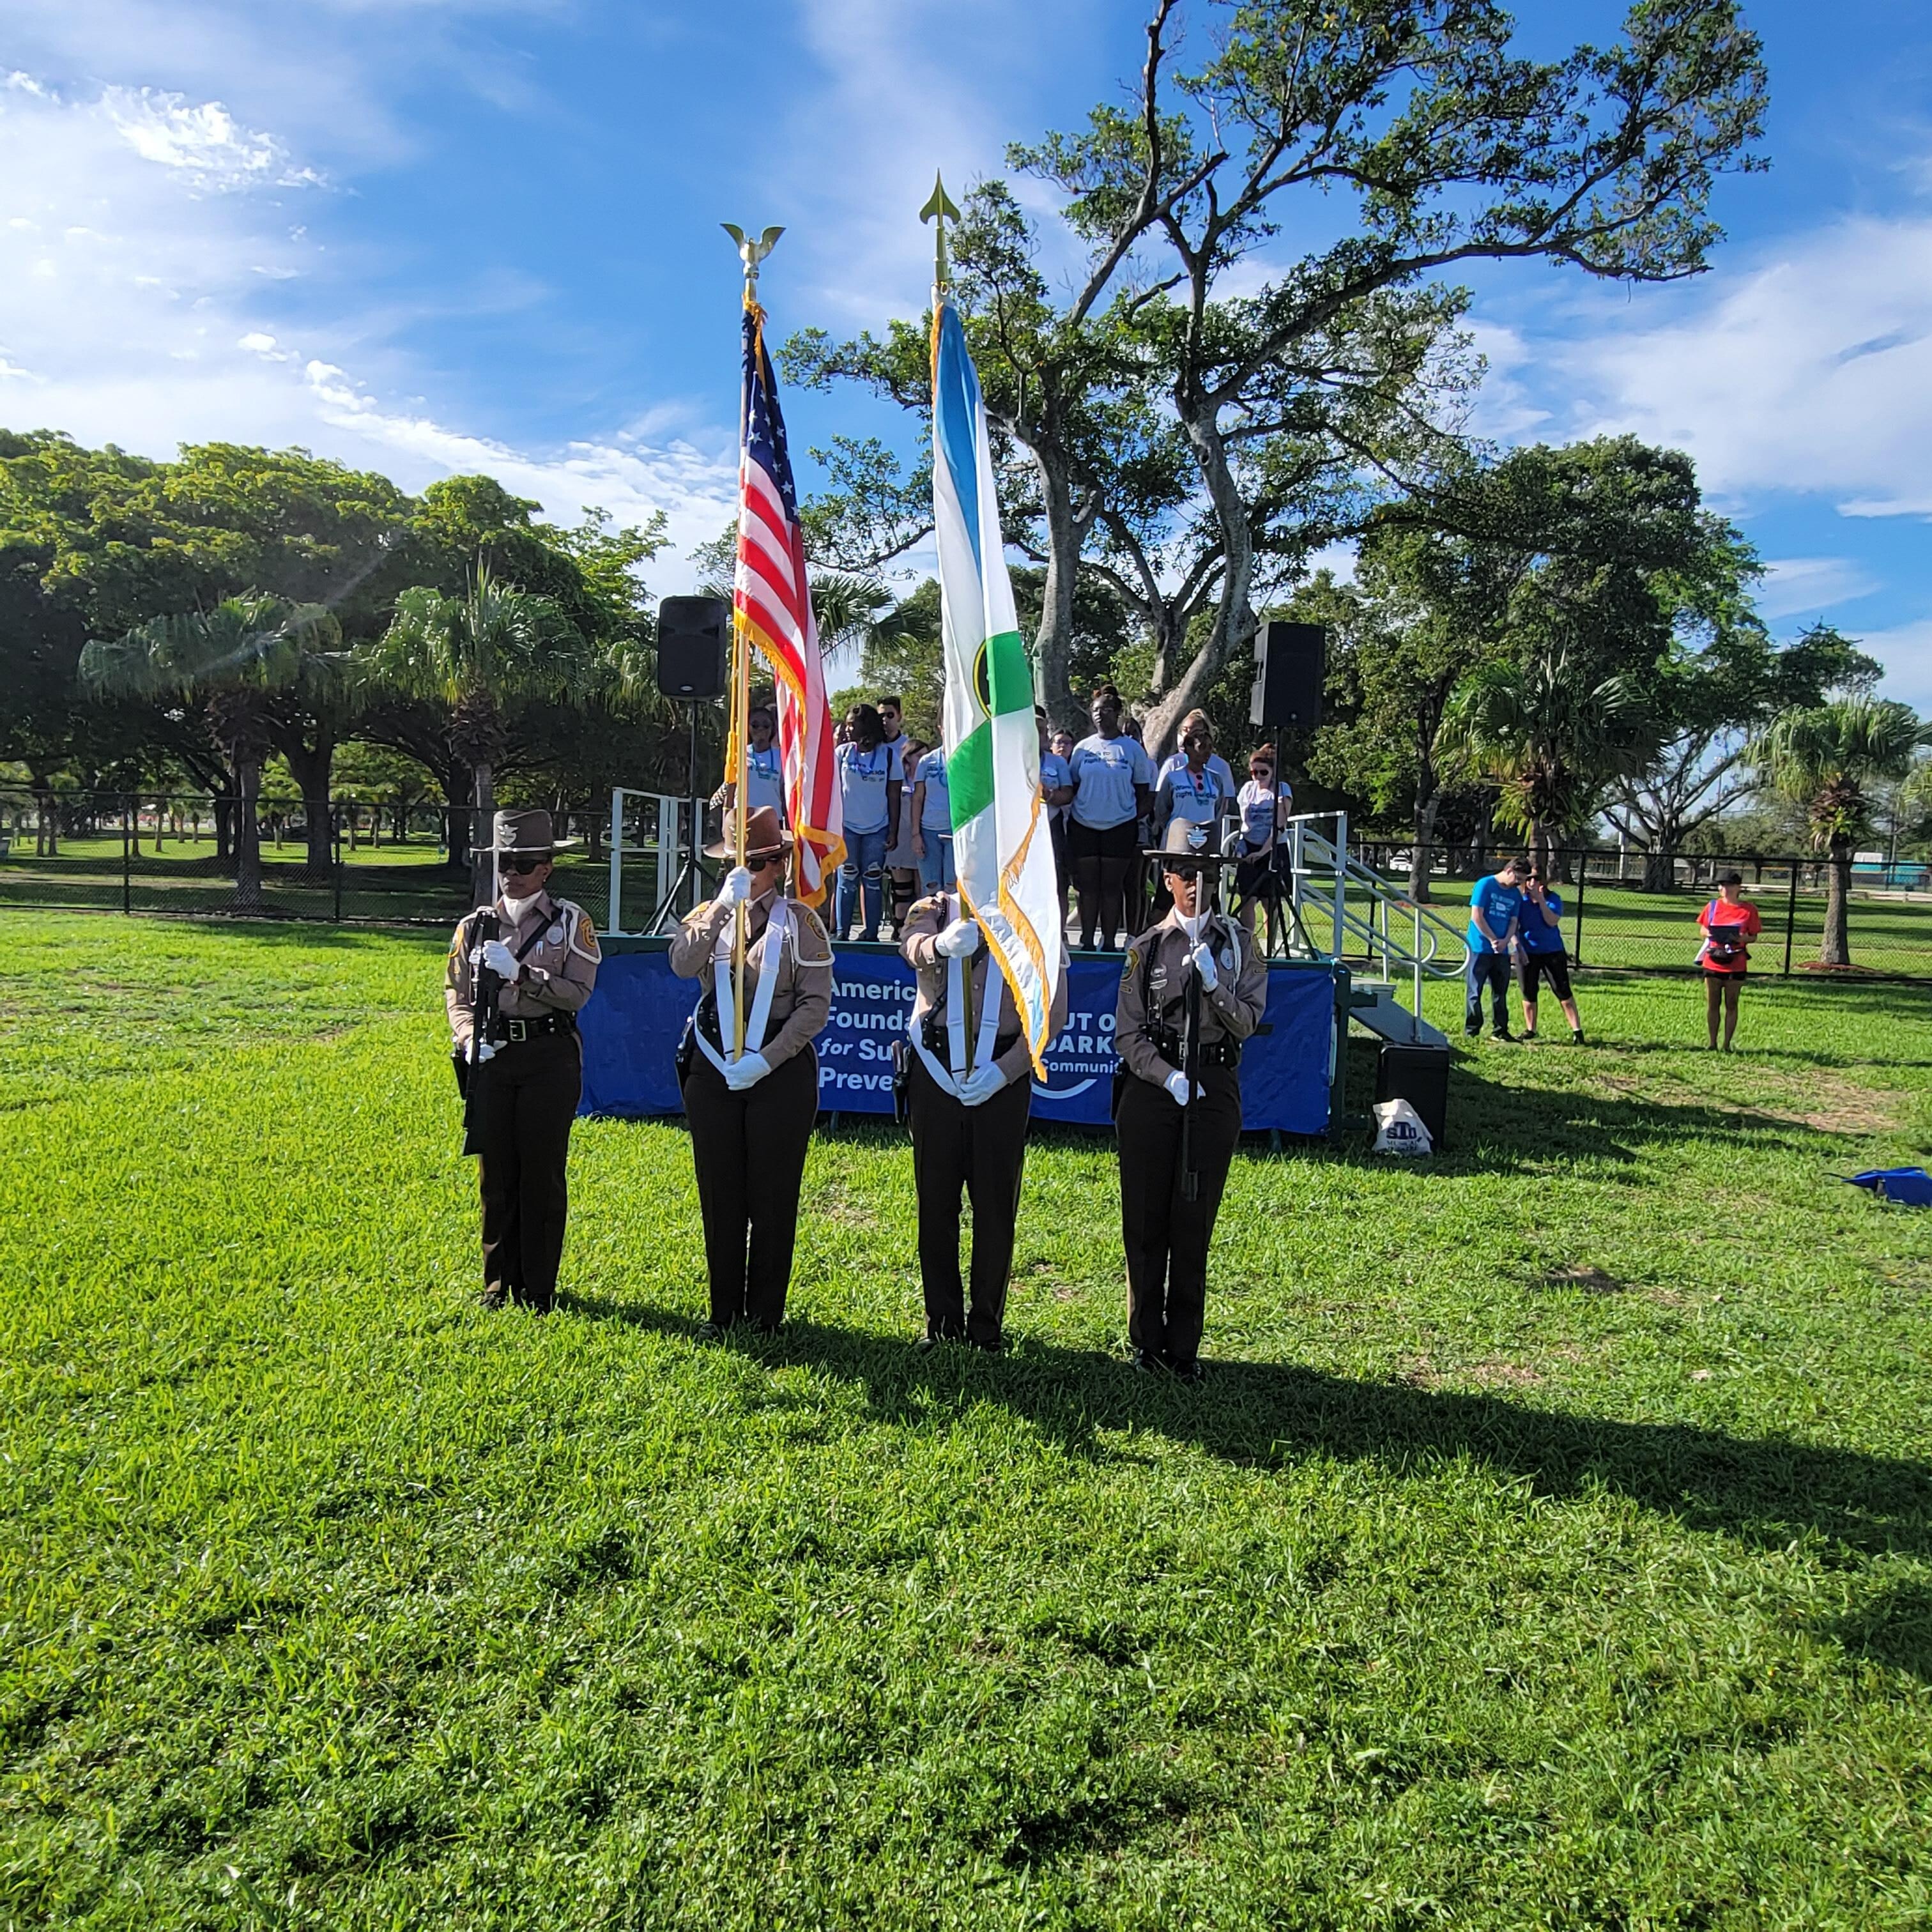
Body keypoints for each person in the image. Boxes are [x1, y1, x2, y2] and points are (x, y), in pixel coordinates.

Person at [1114, 819, 1269, 1381]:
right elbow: (1126, 1034)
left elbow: (1248, 1020)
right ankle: (1145, 1343)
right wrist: (1164, 1076)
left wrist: (1214, 986)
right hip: (1155, 1091)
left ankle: (1184, 1348)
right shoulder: (1146, 947)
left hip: (1213, 1087)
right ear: (1168, 877)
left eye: (1206, 873)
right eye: (1185, 872)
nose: (1196, 883)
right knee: (1145, 1218)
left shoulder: (1241, 946)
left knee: (1193, 1219)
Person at [670, 805, 833, 1335]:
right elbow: (680, 963)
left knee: (772, 1194)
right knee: (720, 1192)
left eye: (758, 863)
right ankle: (723, 1311)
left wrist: (770, 1056)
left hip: (778, 1069)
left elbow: (814, 1006)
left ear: (779, 864)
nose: (745, 873)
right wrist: (721, 906)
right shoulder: (711, 910)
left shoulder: (801, 922)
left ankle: (765, 1314)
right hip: (713, 1064)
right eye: (734, 863)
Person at [444, 809, 601, 1314]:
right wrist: (468, 1038)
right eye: (504, 864)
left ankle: (538, 1287)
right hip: (492, 1054)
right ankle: (497, 1284)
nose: (511, 874)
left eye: (522, 864)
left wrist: (525, 976)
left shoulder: (571, 923)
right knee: (496, 1174)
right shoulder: (475, 926)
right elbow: (457, 992)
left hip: (547, 1055)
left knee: (541, 1172)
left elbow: (578, 994)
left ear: (546, 869)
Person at [900, 894, 1069, 1351]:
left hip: (1002, 1070)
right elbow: (910, 944)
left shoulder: (1035, 916)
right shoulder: (936, 908)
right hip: (936, 1071)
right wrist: (939, 946)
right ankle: (942, 1322)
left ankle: (986, 1325)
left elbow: (1053, 1015)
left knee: (995, 1207)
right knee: (935, 1203)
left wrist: (1008, 1070)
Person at [1069, 685, 1155, 949]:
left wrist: (1128, 817)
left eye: (1106, 710)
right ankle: (1086, 940)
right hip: (1084, 826)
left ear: (1117, 713)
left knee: (1111, 887)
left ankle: (1108, 941)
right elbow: (1072, 786)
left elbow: (1145, 793)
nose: (1099, 715)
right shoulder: (1083, 749)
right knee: (1088, 887)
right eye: (1095, 711)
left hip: (1120, 829)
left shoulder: (1131, 750)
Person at [832, 702, 900, 940]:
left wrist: (893, 830)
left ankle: (871, 933)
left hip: (877, 828)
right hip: (846, 827)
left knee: (872, 879)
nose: (848, 729)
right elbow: (832, 791)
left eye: (852, 724)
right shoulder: (842, 753)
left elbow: (893, 795)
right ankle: (842, 932)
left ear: (867, 726)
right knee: (847, 877)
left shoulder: (889, 755)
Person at [1231, 745, 1294, 948]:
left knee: (1271, 901)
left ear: (1273, 771)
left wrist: (1263, 852)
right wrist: (1244, 848)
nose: (1257, 776)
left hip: (1273, 849)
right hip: (1250, 848)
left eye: (1263, 772)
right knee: (1247, 899)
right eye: (1253, 772)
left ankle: (1270, 946)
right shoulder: (1247, 791)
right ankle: (1248, 946)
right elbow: (1244, 823)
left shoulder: (1281, 790)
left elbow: (1280, 826)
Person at [1515, 866, 1584, 1043]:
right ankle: (1531, 1029)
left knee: (1562, 991)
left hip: (1552, 952)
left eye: (1537, 879)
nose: (1532, 882)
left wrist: (1541, 901)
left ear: (1543, 882)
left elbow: (1551, 921)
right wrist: (1518, 949)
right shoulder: (1520, 901)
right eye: (1529, 879)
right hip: (1527, 952)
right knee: (1528, 991)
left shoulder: (1553, 899)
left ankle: (1577, 1031)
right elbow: (1513, 926)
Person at [1698, 870, 1761, 1051]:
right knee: (1712, 1003)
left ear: (1738, 887)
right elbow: (1703, 929)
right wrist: (1711, 933)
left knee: (1731, 1003)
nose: (1724, 889)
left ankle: (1726, 1044)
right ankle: (1712, 1042)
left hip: (1736, 960)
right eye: (1721, 885)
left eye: (1728, 885)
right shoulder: (1712, 906)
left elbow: (1753, 936)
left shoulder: (1748, 910)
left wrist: (1739, 938)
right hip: (1713, 959)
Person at [1464, 856, 1525, 1039]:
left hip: (1502, 951)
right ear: (1509, 871)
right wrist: (1492, 939)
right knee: (1475, 990)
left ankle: (1500, 1030)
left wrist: (1506, 940)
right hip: (1480, 947)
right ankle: (1472, 1030)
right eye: (1518, 879)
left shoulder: (1515, 895)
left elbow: (1514, 921)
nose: (1519, 884)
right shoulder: (1485, 885)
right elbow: (1477, 916)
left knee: (1500, 992)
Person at [712, 701, 786, 824]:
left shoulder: (781, 757)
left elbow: (783, 793)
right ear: (748, 727)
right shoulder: (739, 753)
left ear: (773, 728)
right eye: (755, 725)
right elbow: (731, 788)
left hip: (772, 821)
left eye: (766, 725)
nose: (761, 729)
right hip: (741, 819)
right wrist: (726, 821)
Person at [882, 735, 925, 933]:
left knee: (922, 890)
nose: (924, 760)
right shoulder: (898, 779)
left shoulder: (930, 780)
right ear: (908, 758)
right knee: (902, 889)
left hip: (922, 838)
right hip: (900, 838)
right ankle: (899, 929)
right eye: (919, 756)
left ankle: (920, 929)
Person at [1037, 710, 1075, 924]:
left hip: (1052, 826)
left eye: (1041, 731)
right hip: (1024, 828)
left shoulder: (1057, 763)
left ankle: (1059, 933)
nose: (1038, 735)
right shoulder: (1012, 759)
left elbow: (1068, 793)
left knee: (1058, 882)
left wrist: (1050, 795)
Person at [1154, 709, 1237, 800]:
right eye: (1185, 730)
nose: (1188, 735)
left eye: (1195, 731)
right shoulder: (1173, 763)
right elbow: (1160, 799)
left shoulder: (1221, 767)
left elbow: (1226, 801)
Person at [910, 738, 958, 892]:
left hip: (955, 832)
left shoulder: (965, 756)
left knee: (952, 887)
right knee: (931, 887)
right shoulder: (927, 761)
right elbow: (918, 798)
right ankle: (931, 916)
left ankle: (952, 917)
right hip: (929, 832)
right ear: (940, 728)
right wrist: (916, 834)